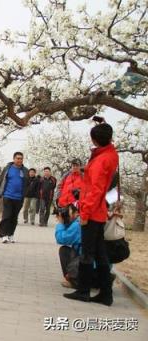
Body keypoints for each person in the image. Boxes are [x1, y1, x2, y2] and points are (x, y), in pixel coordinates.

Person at [63, 118, 119, 306]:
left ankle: (83, 290)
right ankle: (106, 293)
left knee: (87, 253)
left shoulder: (101, 160)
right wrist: (103, 125)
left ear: (96, 140)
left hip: (92, 212)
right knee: (100, 254)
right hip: (99, 211)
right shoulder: (110, 154)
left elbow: (95, 190)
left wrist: (84, 214)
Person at [0, 152, 29, 243]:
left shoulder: (25, 170)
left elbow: (27, 183)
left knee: (14, 217)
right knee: (7, 216)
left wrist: (24, 194)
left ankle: (10, 234)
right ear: (14, 159)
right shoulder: (7, 168)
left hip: (19, 198)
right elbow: (1, 181)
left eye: (21, 158)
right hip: (8, 196)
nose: (19, 160)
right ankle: (4, 235)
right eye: (18, 158)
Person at [55, 204, 81, 288]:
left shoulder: (77, 225)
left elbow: (61, 239)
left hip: (86, 262)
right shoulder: (78, 221)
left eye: (67, 212)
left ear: (76, 213)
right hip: (94, 264)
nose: (65, 214)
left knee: (64, 251)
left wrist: (60, 223)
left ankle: (74, 281)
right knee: (67, 250)